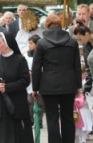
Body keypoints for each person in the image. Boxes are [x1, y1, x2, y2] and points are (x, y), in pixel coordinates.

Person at [33, 14, 81, 143]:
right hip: (68, 83)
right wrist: (78, 86)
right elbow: (76, 65)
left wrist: (35, 88)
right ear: (60, 25)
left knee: (52, 118)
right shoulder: (72, 42)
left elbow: (36, 67)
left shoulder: (42, 43)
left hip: (49, 84)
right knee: (67, 117)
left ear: (47, 26)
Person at [0, 32, 33, 142]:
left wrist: (7, 87)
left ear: (6, 43)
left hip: (16, 105)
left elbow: (25, 80)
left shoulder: (20, 60)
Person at [26, 35, 45, 128]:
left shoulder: (42, 55)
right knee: (30, 101)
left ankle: (39, 120)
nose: (29, 45)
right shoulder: (26, 55)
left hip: (40, 81)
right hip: (30, 82)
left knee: (40, 102)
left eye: (31, 43)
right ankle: (30, 119)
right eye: (29, 43)